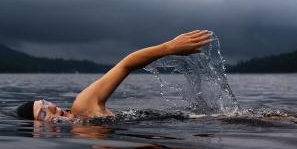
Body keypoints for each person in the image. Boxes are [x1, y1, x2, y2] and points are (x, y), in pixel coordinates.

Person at [16, 30, 212, 121]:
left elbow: (125, 65)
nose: (50, 107)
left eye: (45, 102)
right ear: (38, 129)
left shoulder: (82, 107)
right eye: (42, 112)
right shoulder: (80, 128)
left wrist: (169, 48)